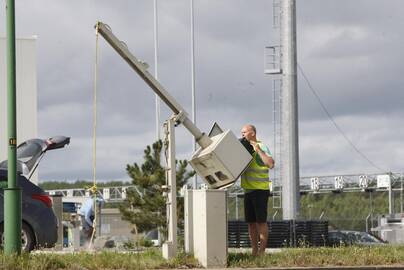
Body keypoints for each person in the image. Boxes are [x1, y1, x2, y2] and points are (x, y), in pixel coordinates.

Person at [240, 124, 275, 256]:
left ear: (253, 133)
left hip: (260, 190)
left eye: (244, 132)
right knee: (251, 223)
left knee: (261, 222)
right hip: (248, 191)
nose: (242, 134)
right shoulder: (243, 149)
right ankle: (254, 250)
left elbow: (270, 164)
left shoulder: (261, 146)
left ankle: (262, 251)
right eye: (241, 133)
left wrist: (258, 150)